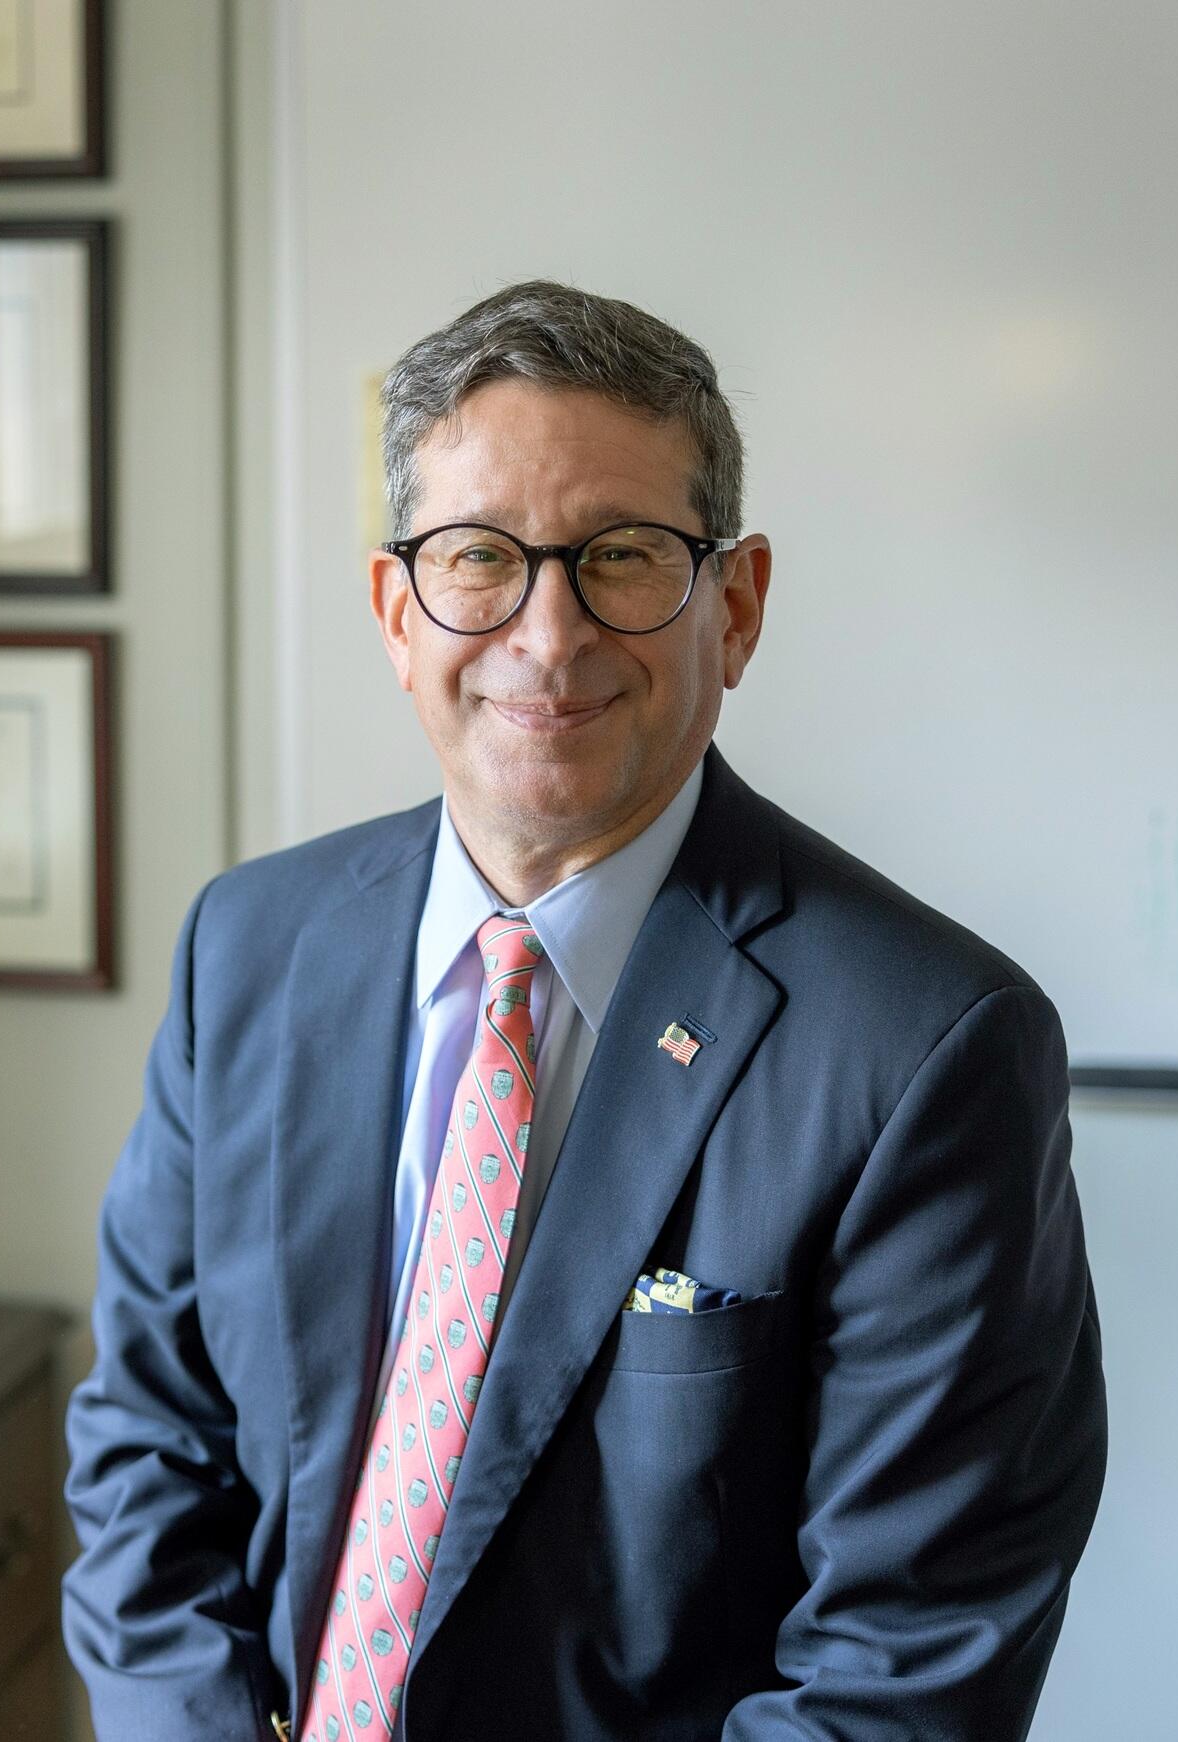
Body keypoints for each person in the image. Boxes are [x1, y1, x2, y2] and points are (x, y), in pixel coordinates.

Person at [60, 280, 1109, 1741]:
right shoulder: (249, 945)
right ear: (394, 608)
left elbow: (906, 1660)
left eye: (620, 557)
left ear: (733, 606)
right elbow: (147, 1446)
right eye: (480, 557)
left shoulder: (929, 1047)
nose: (548, 637)